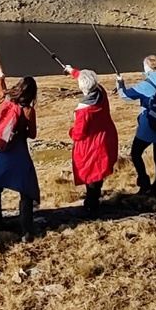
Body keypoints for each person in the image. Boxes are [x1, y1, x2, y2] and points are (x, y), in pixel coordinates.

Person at [0, 73, 40, 241]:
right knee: (26, 189)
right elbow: (32, 134)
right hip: (17, 151)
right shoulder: (28, 109)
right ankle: (26, 230)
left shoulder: (6, 99)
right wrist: (21, 131)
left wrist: (0, 78)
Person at [116, 55, 156, 195]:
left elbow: (126, 96)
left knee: (136, 153)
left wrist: (120, 84)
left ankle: (144, 183)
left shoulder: (146, 85)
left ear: (147, 67)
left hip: (148, 127)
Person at [62, 65, 119, 212]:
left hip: (91, 146)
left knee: (91, 174)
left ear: (83, 87)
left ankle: (91, 206)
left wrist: (70, 132)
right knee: (98, 172)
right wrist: (71, 71)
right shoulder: (100, 91)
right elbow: (87, 79)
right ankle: (94, 199)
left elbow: (79, 134)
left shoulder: (84, 111)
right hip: (106, 138)